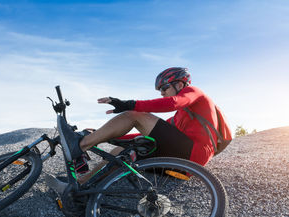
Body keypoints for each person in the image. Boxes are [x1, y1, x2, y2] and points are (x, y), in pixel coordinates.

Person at [57, 67, 219, 185]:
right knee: (120, 152)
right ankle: (82, 183)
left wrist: (129, 105)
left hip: (193, 155)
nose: (161, 92)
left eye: (164, 87)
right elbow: (144, 137)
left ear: (181, 85)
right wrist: (103, 136)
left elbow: (174, 102)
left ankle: (79, 146)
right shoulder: (178, 119)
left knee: (134, 115)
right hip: (182, 167)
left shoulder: (195, 92)